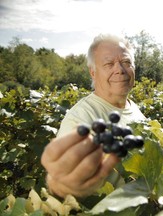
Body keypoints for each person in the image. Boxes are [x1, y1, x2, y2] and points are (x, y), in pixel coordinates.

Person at [41, 33, 146, 198]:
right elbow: (64, 181)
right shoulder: (81, 118)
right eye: (108, 64)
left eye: (126, 62)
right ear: (93, 73)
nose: (119, 70)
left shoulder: (135, 109)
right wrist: (61, 186)